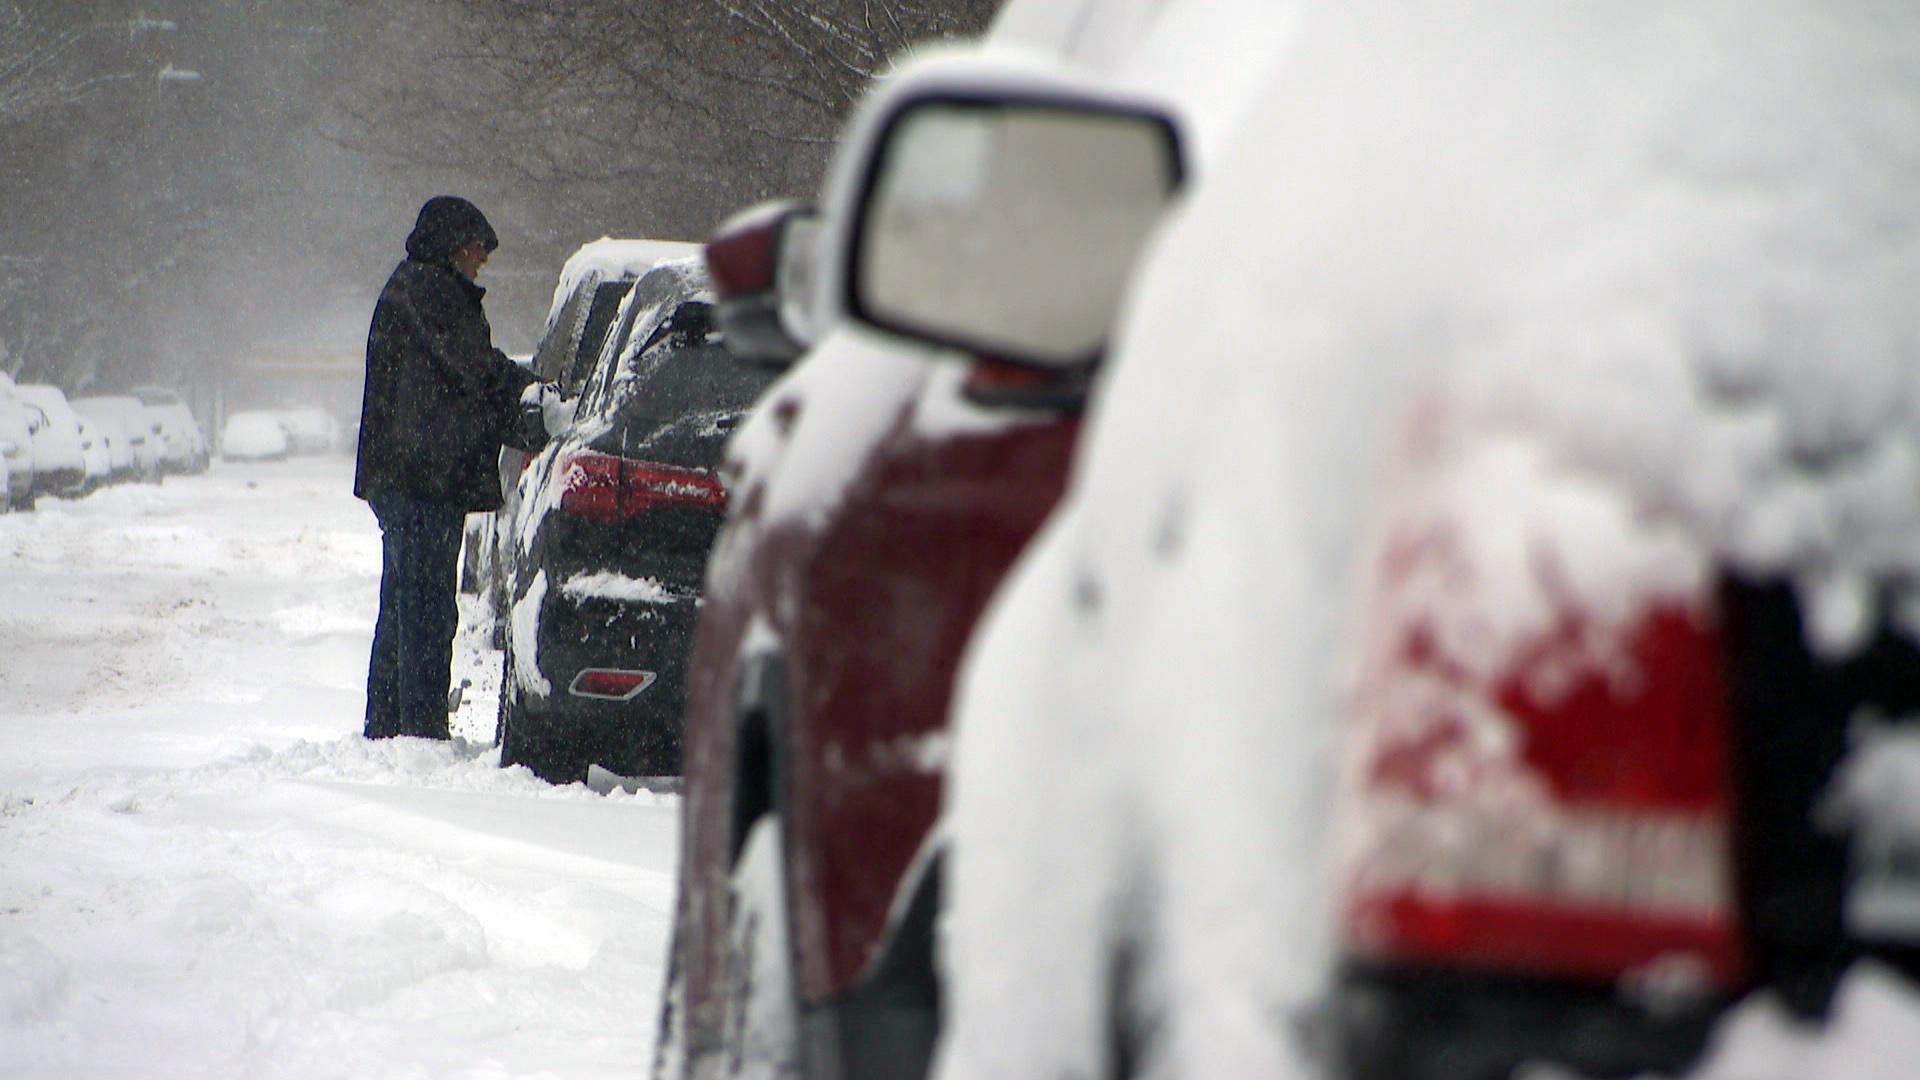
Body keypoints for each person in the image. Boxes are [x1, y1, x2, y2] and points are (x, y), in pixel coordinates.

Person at [354, 195, 540, 740]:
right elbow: (476, 373)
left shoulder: (415, 288)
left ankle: (389, 727)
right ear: (454, 245)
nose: (480, 263)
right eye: (477, 251)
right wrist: (530, 402)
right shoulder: (432, 294)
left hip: (408, 476)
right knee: (426, 608)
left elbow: (468, 377)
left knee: (406, 604)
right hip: (421, 479)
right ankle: (419, 730)